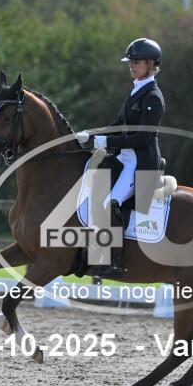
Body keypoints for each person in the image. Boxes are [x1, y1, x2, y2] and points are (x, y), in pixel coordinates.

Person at [75, 37, 165, 277]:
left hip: (141, 163)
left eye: (136, 62)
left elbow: (142, 138)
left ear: (151, 64)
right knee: (92, 190)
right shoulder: (135, 91)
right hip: (124, 160)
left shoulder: (153, 97)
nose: (131, 66)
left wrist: (106, 142)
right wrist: (91, 135)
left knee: (111, 203)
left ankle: (112, 261)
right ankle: (85, 252)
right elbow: (116, 125)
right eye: (130, 62)